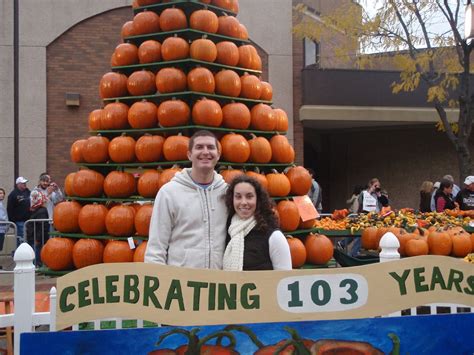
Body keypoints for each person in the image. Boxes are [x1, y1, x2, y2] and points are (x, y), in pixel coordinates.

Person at [145, 130, 228, 269]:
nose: (206, 152)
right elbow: (156, 248)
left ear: (218, 155)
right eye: (199, 147)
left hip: (218, 284)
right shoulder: (169, 193)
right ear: (189, 154)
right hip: (181, 284)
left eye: (211, 147)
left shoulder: (227, 193)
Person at [222, 175, 292, 271]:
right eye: (238, 197)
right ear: (232, 199)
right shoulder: (229, 230)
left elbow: (284, 279)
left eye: (249, 196)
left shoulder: (274, 236)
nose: (243, 202)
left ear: (258, 199)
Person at [7, 176, 31, 245]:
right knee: (21, 239)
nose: (25, 184)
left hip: (28, 221)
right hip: (19, 222)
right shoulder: (13, 194)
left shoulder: (28, 192)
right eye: (23, 183)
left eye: (25, 183)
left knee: (27, 239)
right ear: (18, 184)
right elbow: (9, 209)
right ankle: (19, 254)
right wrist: (12, 221)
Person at [0, 188, 8, 252]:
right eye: (0, 193)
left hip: (2, 229)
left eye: (3, 193)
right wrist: (7, 222)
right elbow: (2, 217)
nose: (2, 195)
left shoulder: (1, 203)